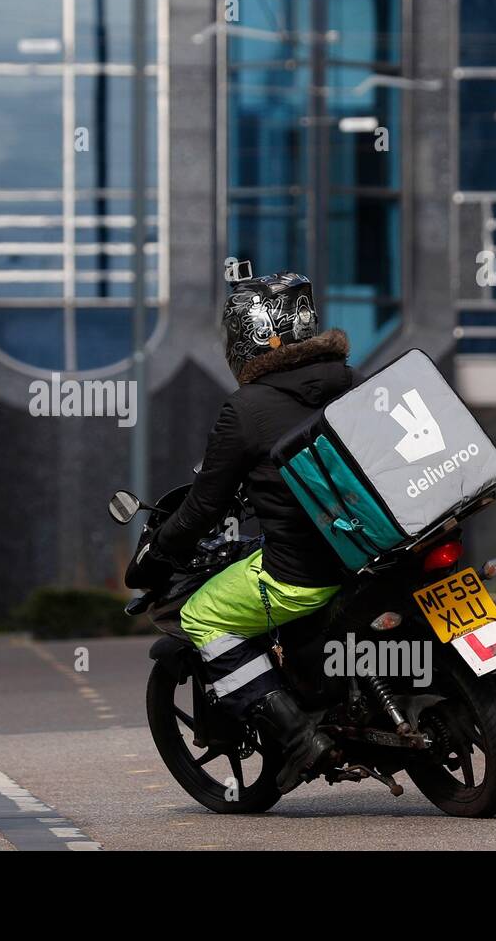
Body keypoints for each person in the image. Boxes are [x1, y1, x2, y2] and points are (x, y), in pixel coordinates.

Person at [141, 271, 353, 793]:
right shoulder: (355, 383)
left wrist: (162, 548)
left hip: (303, 573)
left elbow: (205, 505)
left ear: (245, 337)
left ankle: (300, 737)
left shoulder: (247, 409)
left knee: (203, 615)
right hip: (372, 556)